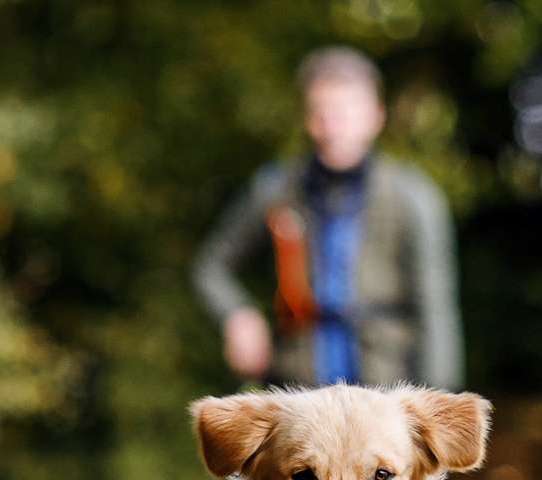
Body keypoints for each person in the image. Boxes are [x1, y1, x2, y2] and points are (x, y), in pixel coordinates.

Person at [191, 46, 462, 392]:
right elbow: (211, 266)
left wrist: (438, 402)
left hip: (385, 391)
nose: (332, 124)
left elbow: (435, 307)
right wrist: (238, 314)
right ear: (307, 117)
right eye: (321, 111)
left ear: (375, 115)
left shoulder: (413, 197)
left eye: (345, 110)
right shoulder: (276, 188)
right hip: (299, 390)